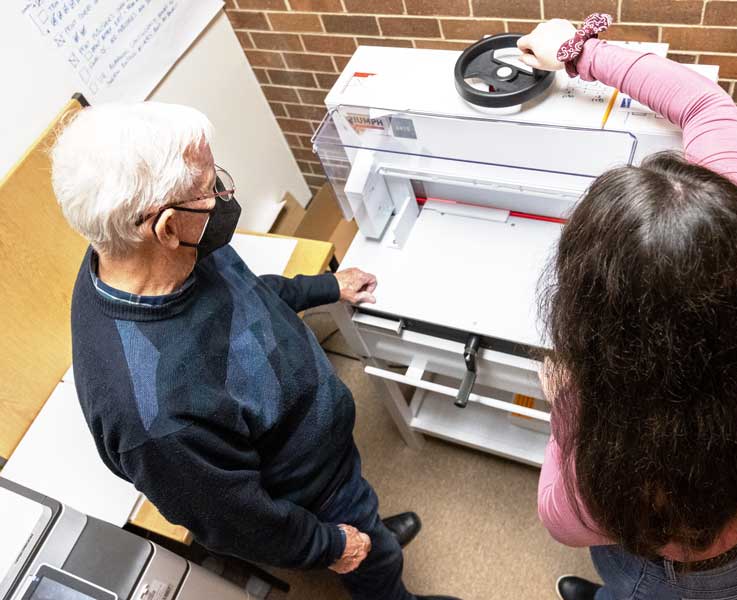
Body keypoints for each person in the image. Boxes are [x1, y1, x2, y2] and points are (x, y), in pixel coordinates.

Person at [51, 102, 459, 600]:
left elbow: (243, 297)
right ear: (165, 228)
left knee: (364, 522)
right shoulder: (155, 420)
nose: (224, 194)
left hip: (319, 452)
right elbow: (236, 521)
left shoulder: (146, 250)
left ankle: (366, 527)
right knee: (373, 559)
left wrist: (322, 287)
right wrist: (328, 544)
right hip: (307, 491)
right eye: (210, 186)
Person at [518, 16, 737, 600]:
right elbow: (704, 103)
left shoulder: (620, 454)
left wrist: (564, 404)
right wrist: (574, 50)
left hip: (677, 577)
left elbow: (559, 518)